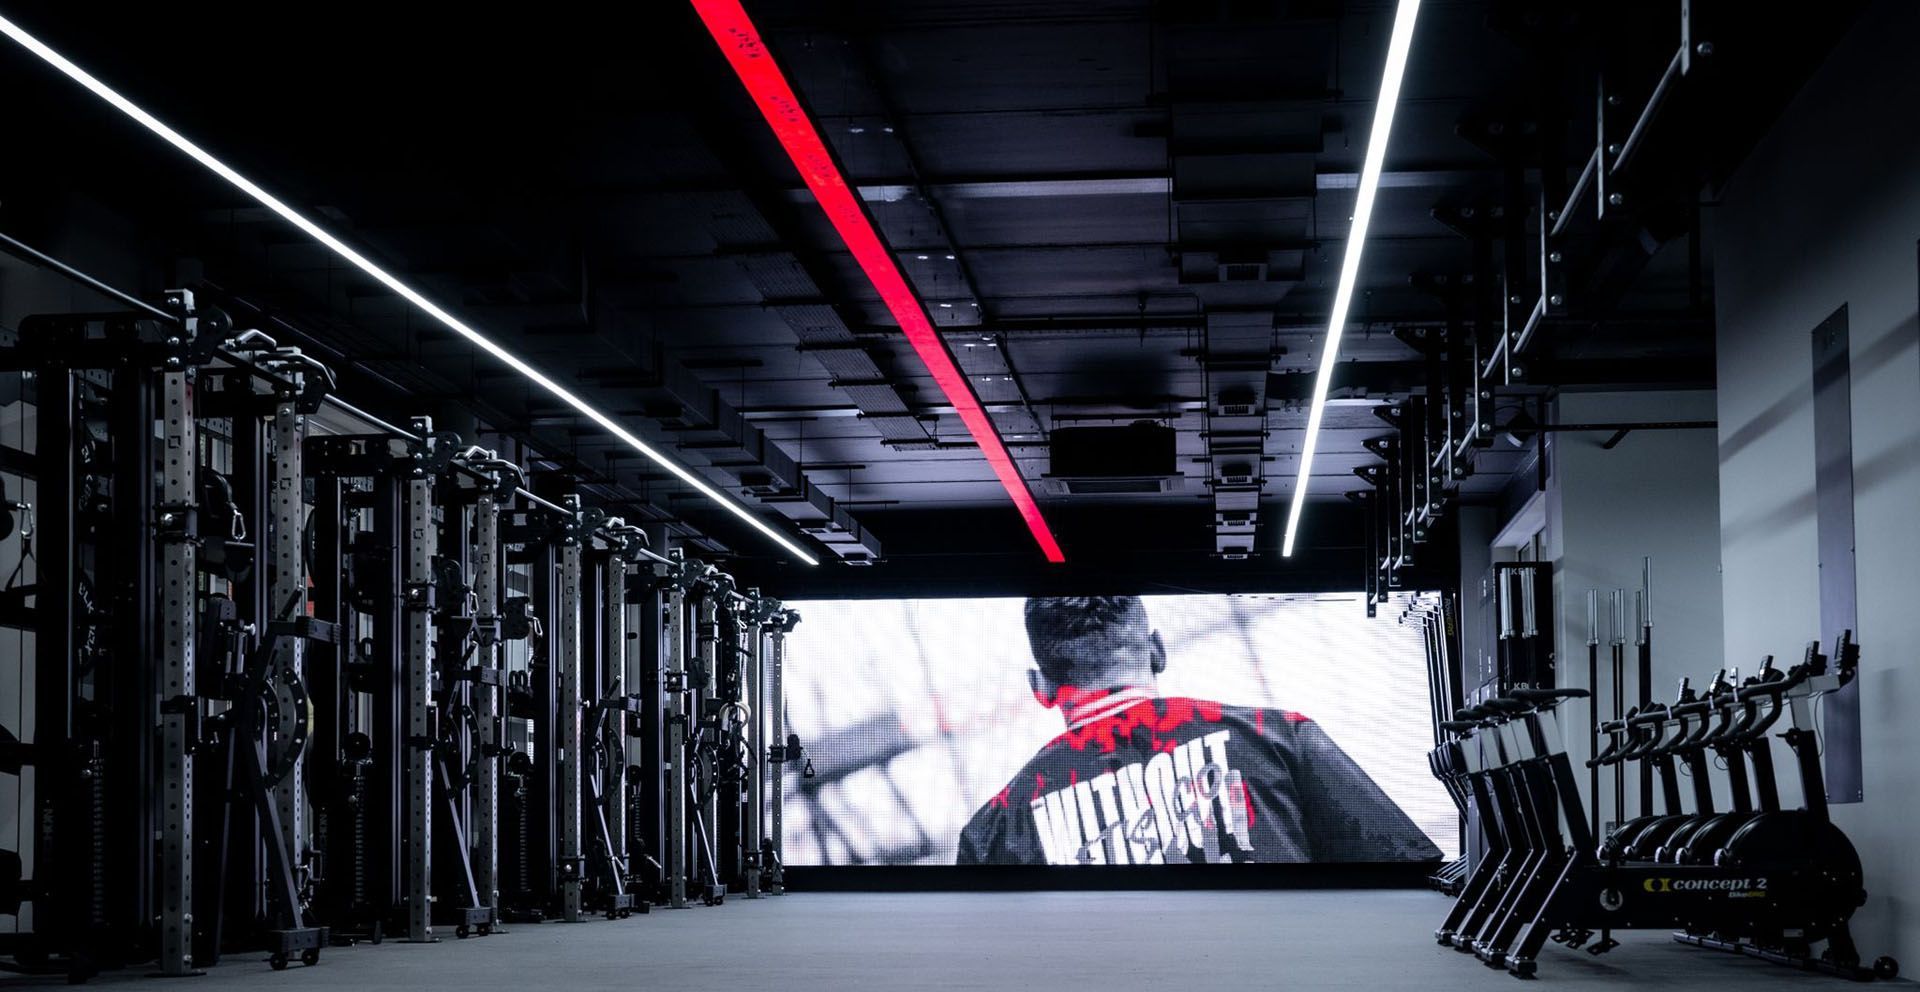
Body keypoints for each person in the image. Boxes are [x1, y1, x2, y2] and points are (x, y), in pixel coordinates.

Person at [956, 595, 1441, 865]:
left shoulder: (993, 830)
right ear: (1157, 651)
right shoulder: (1279, 737)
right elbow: (1411, 880)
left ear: (1041, 687)